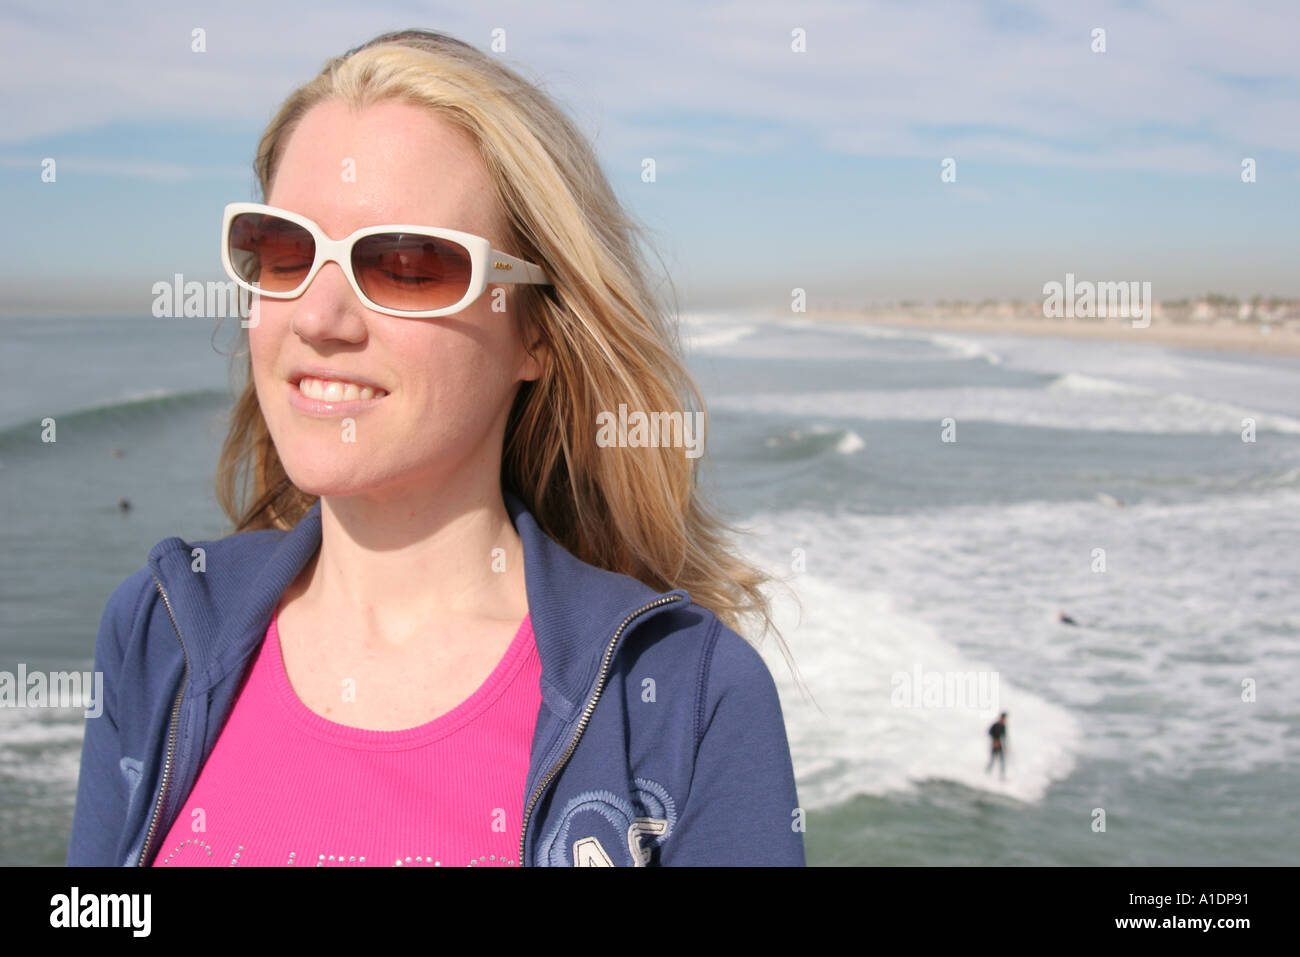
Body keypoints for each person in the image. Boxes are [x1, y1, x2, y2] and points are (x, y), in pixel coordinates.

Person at [67, 29, 803, 867]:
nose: (318, 318)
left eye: (408, 265)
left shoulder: (685, 698)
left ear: (538, 333)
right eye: (285, 252)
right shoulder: (158, 631)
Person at [986, 712, 1008, 779]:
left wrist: (1005, 747)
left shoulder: (1003, 726)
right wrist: (995, 741)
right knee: (992, 760)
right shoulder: (996, 725)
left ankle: (1002, 776)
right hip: (994, 745)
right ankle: (987, 773)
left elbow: (1004, 737)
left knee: (1002, 760)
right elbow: (989, 732)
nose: (1004, 720)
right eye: (1004, 718)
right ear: (1001, 718)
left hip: (1000, 745)